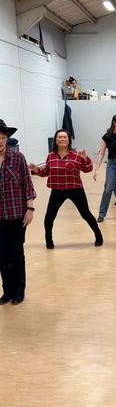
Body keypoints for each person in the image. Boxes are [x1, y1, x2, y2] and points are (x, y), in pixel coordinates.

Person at [29, 129, 102, 249]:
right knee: (49, 216)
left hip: (75, 189)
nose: (62, 139)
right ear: (56, 140)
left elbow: (88, 169)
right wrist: (36, 170)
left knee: (86, 214)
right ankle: (49, 240)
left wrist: (85, 159)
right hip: (57, 190)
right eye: (59, 137)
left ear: (69, 140)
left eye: (65, 137)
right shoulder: (51, 156)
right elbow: (45, 172)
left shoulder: (76, 155)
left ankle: (98, 235)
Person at [0, 119, 36, 305]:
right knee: (2, 255)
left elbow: (27, 185)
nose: (0, 141)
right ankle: (7, 291)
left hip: (16, 214)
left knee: (16, 253)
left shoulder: (18, 157)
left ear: (7, 139)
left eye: (3, 137)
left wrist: (29, 209)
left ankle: (19, 290)